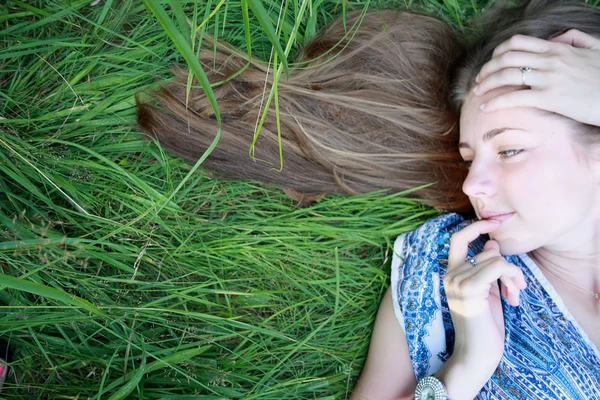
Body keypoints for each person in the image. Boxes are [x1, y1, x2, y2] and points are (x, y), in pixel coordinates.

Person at [136, 0, 600, 398]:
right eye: (470, 157)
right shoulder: (445, 273)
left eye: (510, 149)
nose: (471, 185)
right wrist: (463, 369)